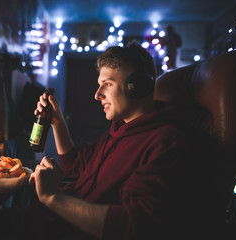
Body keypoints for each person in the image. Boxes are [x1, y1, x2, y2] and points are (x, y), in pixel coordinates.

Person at [24, 42, 220, 240]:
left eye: (107, 84)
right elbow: (75, 165)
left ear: (137, 86)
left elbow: (135, 224)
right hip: (45, 222)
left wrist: (53, 198)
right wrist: (57, 122)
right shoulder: (119, 131)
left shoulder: (165, 142)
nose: (97, 95)